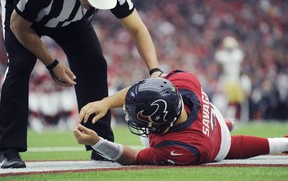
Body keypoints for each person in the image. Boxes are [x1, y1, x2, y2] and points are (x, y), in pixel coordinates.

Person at [0, 0, 162, 168]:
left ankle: (100, 143)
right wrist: (52, 63)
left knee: (94, 64)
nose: (95, 3)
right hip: (21, 16)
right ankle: (8, 149)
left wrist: (154, 70)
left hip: (71, 21)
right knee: (20, 64)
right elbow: (18, 26)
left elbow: (137, 28)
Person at [74, 70, 288, 166]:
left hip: (214, 144)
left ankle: (229, 125)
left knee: (145, 140)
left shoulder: (181, 148)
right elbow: (145, 89)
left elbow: (132, 157)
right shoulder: (186, 81)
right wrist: (105, 103)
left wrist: (97, 142)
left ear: (162, 123)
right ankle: (228, 124)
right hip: (208, 114)